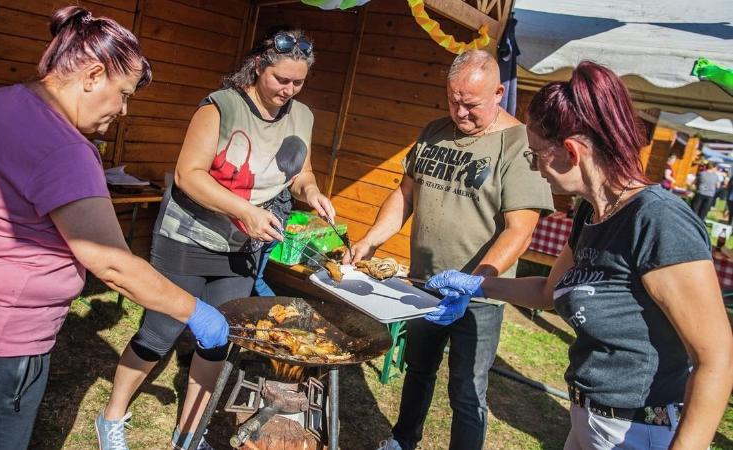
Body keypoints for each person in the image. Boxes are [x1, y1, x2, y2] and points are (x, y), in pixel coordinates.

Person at [0, 7, 228, 450]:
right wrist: (196, 311)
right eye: (124, 94)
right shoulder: (65, 147)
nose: (123, 110)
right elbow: (112, 265)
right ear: (94, 75)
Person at [425, 61, 733, 450]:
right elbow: (548, 293)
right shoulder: (591, 212)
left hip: (638, 432)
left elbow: (717, 359)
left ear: (571, 151)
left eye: (536, 155)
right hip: (589, 420)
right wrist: (478, 284)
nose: (537, 169)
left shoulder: (658, 220)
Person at [97, 28, 334, 450]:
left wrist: (312, 193)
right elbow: (189, 175)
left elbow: (301, 173)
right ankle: (112, 416)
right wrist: (245, 210)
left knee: (219, 338)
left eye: (299, 82)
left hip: (241, 248)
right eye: (282, 79)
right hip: (187, 240)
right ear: (260, 66)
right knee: (161, 331)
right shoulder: (221, 107)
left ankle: (190, 431)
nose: (289, 90)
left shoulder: (302, 117)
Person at [347, 50, 554, 450]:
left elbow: (520, 230)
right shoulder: (434, 131)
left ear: (498, 92)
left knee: (466, 388)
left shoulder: (518, 146)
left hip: (480, 295)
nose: (460, 112)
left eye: (471, 104)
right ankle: (403, 440)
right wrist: (372, 238)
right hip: (424, 284)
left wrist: (477, 281)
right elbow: (405, 195)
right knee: (418, 370)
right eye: (453, 99)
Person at [253, 188, 293, 296]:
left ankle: (282, 311)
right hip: (278, 223)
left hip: (265, 228)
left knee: (254, 280)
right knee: (256, 279)